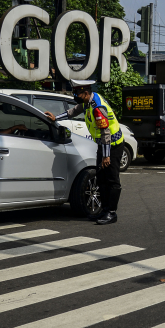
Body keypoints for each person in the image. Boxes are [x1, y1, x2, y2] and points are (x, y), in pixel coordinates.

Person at [45, 80, 123, 225]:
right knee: (101, 178)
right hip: (104, 145)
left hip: (113, 145)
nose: (75, 96)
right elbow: (74, 111)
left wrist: (106, 156)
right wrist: (57, 118)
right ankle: (104, 211)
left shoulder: (97, 107)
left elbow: (105, 132)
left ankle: (111, 213)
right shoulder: (88, 102)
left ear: (85, 93)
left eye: (77, 93)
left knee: (111, 179)